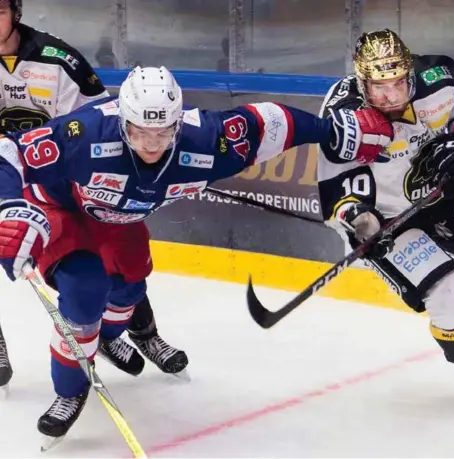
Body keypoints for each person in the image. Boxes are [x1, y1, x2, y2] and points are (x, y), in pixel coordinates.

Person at [0, 65, 388, 439]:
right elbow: (8, 153)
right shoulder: (83, 133)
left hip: (122, 220)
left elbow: (272, 122)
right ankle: (69, 391)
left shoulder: (209, 138)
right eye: (139, 132)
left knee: (130, 286)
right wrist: (8, 208)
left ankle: (108, 336)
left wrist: (333, 130)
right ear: (122, 122)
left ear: (178, 124)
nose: (151, 145)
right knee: (85, 293)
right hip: (62, 211)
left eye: (163, 132)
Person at [317, 29, 454, 403]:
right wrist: (361, 219)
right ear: (361, 81)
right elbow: (336, 185)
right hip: (386, 220)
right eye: (378, 87)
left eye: (398, 83)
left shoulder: (442, 76)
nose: (389, 96)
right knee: (447, 291)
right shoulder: (344, 115)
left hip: (440, 197)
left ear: (410, 72)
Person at [0, 0, 188, 390]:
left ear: (16, 12)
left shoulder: (59, 60)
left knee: (118, 247)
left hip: (62, 179)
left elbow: (104, 121)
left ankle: (140, 330)